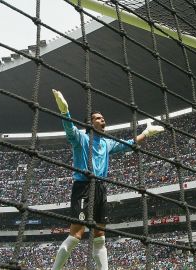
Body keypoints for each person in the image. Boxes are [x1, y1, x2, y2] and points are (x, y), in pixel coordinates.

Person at [51, 89, 165, 270]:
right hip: (83, 187)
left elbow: (127, 144)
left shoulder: (106, 143)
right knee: (76, 235)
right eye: (98, 118)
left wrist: (146, 133)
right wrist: (65, 111)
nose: (102, 120)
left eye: (103, 118)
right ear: (90, 123)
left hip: (101, 188)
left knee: (100, 236)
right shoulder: (81, 138)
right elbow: (70, 129)